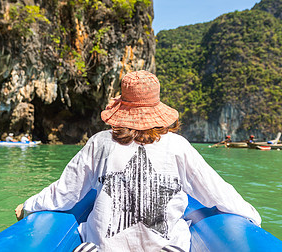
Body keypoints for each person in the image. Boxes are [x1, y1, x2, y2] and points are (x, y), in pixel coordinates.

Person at [15, 71, 261, 252]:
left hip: (106, 246)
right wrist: (251, 216)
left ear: (122, 106)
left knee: (90, 236)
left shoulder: (101, 142)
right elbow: (215, 191)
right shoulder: (177, 145)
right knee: (177, 234)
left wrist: (28, 205)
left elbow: (65, 191)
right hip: (163, 244)